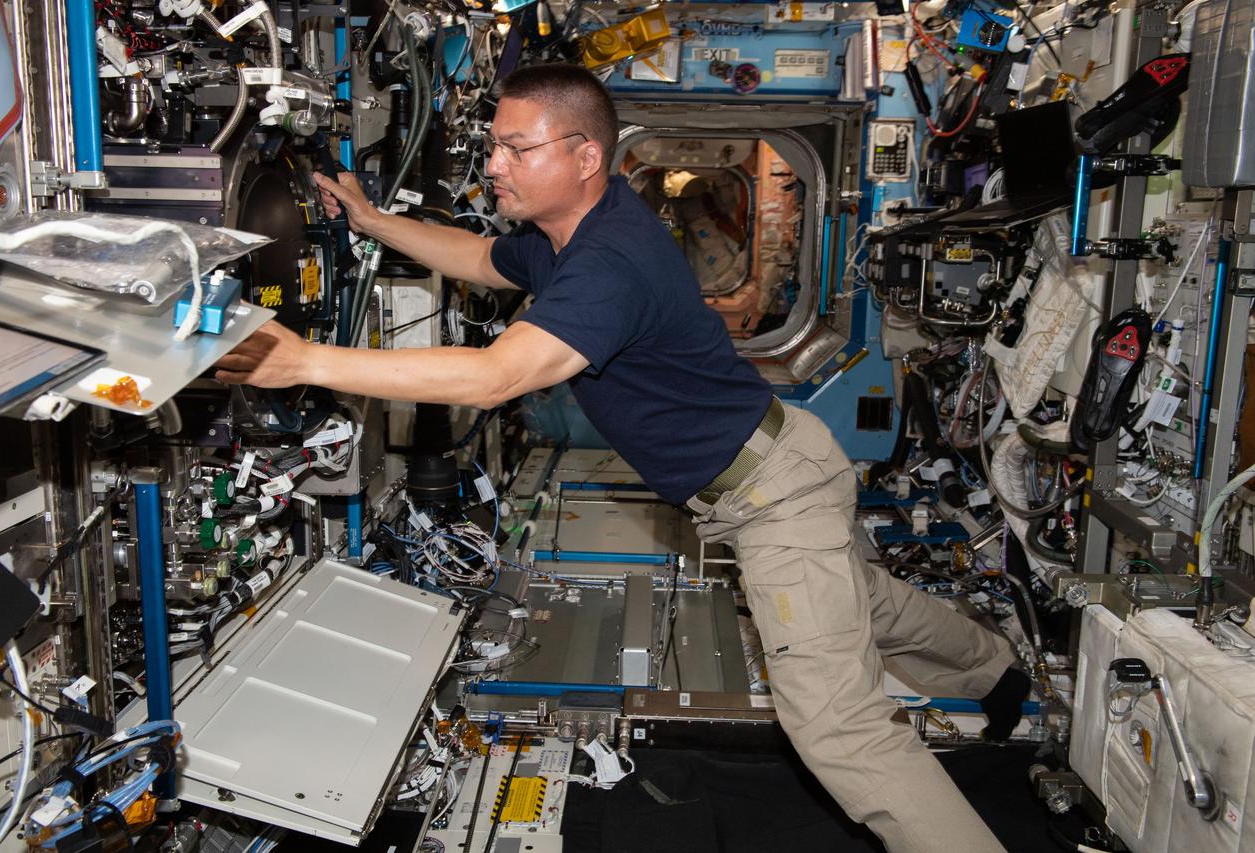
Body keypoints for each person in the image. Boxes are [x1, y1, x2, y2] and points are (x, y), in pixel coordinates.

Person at [216, 63, 1029, 853]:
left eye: (516, 149)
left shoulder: (608, 262)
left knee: (836, 726)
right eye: (494, 145)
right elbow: (474, 257)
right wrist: (370, 221)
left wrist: (306, 361)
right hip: (775, 465)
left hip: (774, 495)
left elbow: (499, 375)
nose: (494, 164)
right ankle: (996, 670)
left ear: (585, 157)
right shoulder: (566, 238)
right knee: (863, 603)